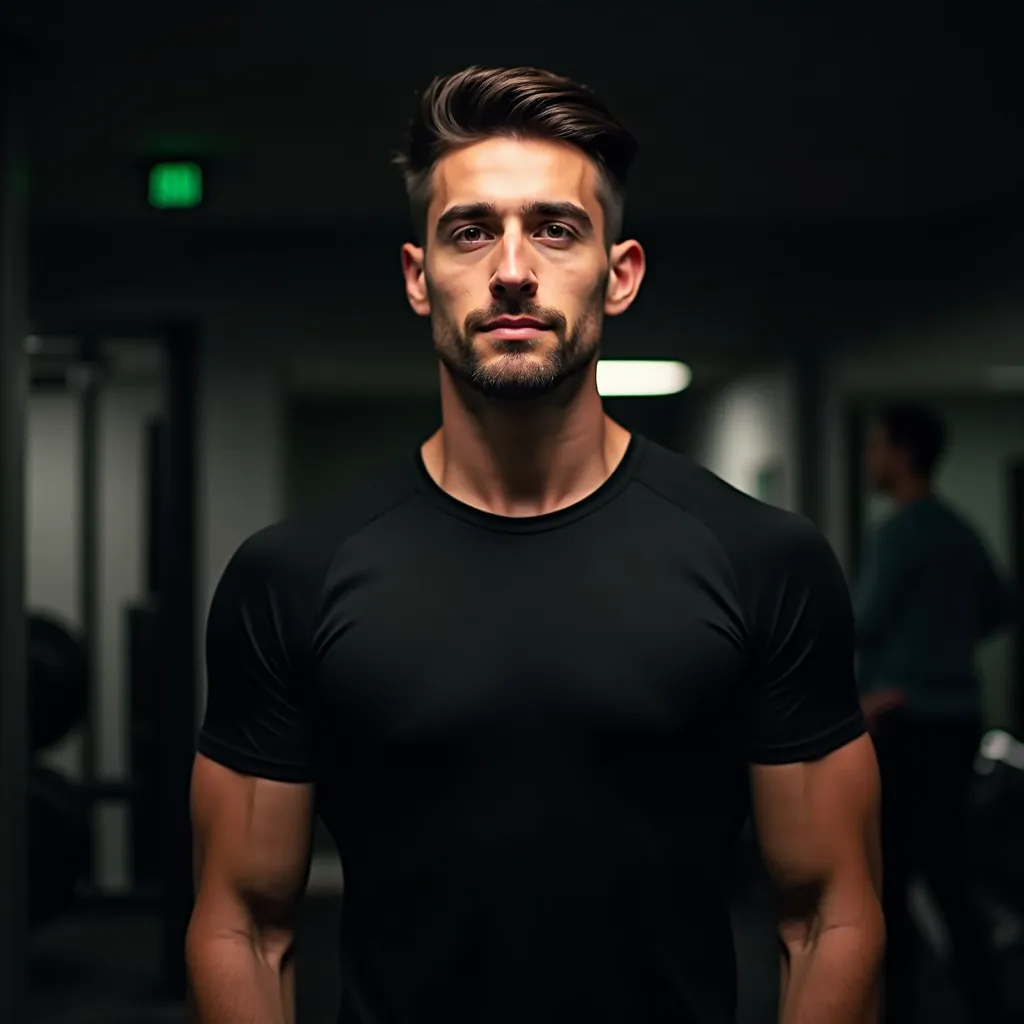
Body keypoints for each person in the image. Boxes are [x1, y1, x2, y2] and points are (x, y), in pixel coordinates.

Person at [186, 65, 883, 1024]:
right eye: (471, 231)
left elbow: (829, 915)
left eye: (556, 228)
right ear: (418, 277)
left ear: (620, 272)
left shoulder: (763, 561)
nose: (513, 267)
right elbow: (242, 924)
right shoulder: (292, 577)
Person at [857, 402, 1013, 1022]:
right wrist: (943, 645)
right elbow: (999, 608)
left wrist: (910, 667)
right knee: (949, 875)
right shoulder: (957, 529)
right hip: (957, 723)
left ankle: (896, 1011)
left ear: (902, 453)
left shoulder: (900, 534)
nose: (870, 459)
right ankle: (987, 1006)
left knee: (890, 878)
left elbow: (863, 623)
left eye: (876, 446)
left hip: (906, 724)